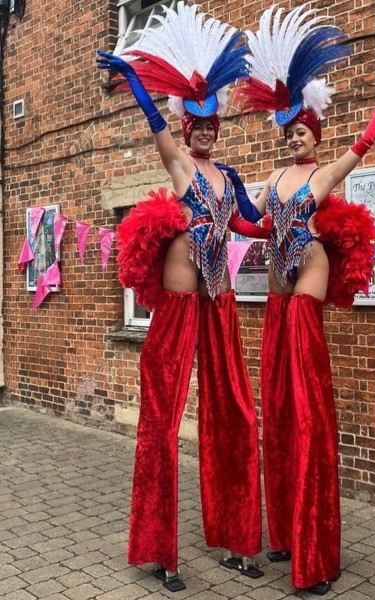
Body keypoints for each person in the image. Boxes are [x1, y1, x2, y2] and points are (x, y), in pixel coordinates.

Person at [217, 5, 375, 595]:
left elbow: (363, 147)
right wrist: (223, 207)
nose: (295, 135)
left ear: (315, 132)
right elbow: (257, 230)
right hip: (276, 301)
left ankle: (317, 551)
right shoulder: (274, 179)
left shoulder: (323, 174)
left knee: (306, 416)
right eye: (290, 130)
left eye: (303, 129)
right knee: (276, 416)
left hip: (305, 290)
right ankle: (285, 535)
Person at [96, 2, 268, 592]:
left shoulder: (231, 178)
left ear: (218, 129)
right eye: (193, 124)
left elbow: (246, 224)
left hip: (218, 301)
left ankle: (239, 538)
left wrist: (288, 225)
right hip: (175, 303)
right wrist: (132, 74)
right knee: (162, 421)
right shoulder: (179, 165)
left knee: (235, 415)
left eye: (209, 125)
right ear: (185, 126)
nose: (200, 131)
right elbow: (153, 123)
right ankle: (160, 552)